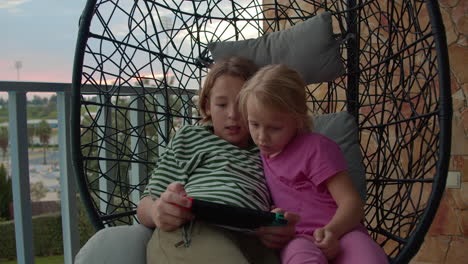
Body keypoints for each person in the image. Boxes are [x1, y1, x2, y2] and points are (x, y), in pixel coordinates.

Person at [136, 56, 298, 264]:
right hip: (198, 230)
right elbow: (144, 205)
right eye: (221, 104)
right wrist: (158, 210)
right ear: (207, 106)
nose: (232, 114)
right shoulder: (191, 138)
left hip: (256, 240)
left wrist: (280, 224)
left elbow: (294, 204)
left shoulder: (271, 150)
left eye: (242, 104)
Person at [238, 64, 389, 264]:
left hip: (343, 232)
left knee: (368, 258)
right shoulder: (256, 157)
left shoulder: (316, 148)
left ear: (298, 119)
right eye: (254, 124)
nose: (261, 137)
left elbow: (351, 203)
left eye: (274, 128)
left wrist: (332, 232)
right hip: (298, 238)